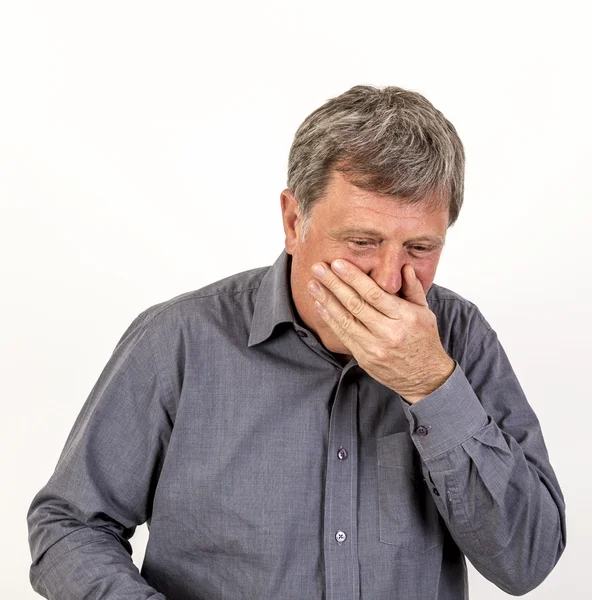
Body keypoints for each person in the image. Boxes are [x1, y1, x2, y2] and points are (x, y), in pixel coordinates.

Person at [27, 85, 566, 600]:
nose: (387, 277)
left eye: (420, 247)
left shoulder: (462, 340)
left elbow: (526, 563)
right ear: (293, 220)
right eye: (362, 242)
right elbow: (69, 526)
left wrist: (431, 385)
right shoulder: (179, 341)